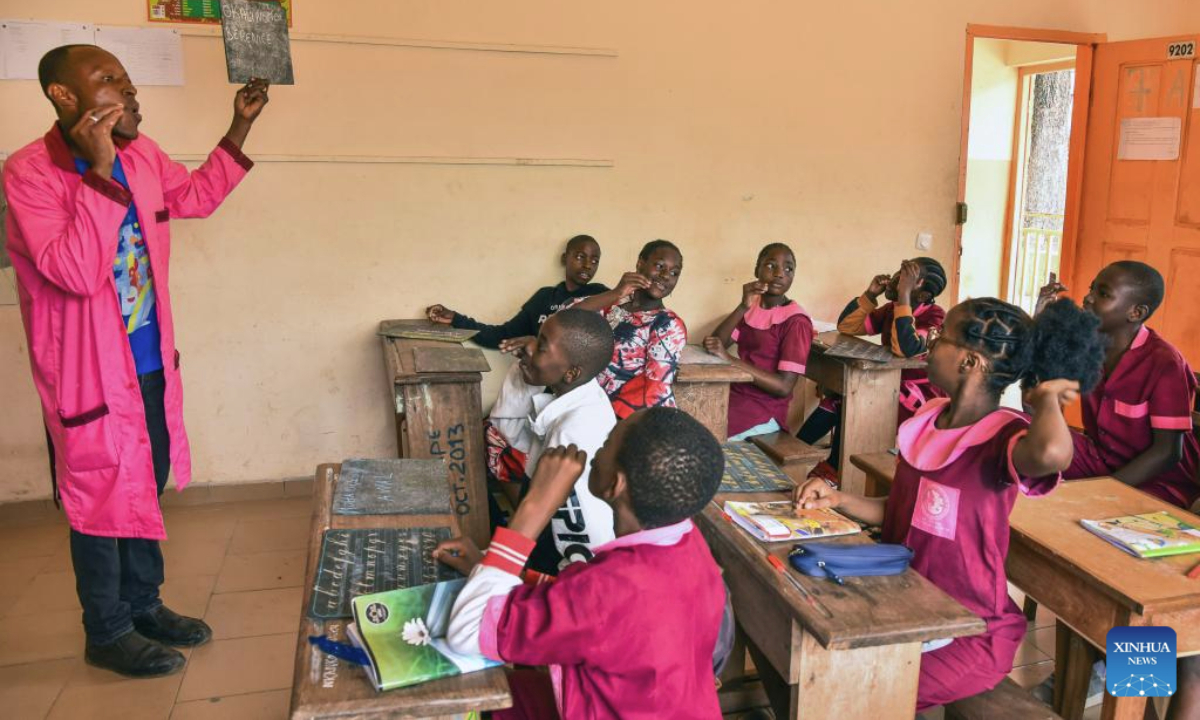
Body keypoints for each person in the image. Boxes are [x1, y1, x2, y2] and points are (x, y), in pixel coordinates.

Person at [3, 44, 269, 678]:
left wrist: (240, 125)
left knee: (142, 487)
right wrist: (97, 173)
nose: (128, 90)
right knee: (96, 496)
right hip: (85, 375)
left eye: (126, 77)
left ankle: (144, 606)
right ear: (63, 97)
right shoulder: (28, 173)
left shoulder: (141, 155)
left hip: (147, 361)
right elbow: (71, 270)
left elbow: (197, 196)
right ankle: (107, 629)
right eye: (107, 80)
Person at [793, 297, 1104, 712]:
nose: (931, 342)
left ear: (970, 362)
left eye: (941, 338)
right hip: (906, 603)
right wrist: (839, 499)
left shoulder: (1003, 435)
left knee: (854, 687)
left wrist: (1047, 398)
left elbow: (1050, 454)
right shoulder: (931, 416)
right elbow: (906, 512)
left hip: (969, 628)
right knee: (804, 654)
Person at [434, 408, 727, 719]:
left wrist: (537, 503)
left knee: (452, 691)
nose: (598, 449)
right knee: (507, 688)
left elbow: (466, 630)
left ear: (615, 484)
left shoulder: (608, 590)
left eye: (607, 442)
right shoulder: (686, 542)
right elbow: (589, 604)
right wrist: (494, 568)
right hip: (659, 704)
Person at [1038, 262, 1200, 508]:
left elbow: (1167, 453)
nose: (1088, 297)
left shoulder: (1165, 364)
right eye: (1092, 288)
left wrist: (1102, 491)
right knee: (1019, 431)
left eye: (1102, 293)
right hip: (1098, 460)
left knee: (1097, 521)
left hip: (1157, 481)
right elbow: (1037, 405)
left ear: (1136, 313)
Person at [483, 309, 619, 574]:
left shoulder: (573, 434)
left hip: (561, 549)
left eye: (541, 345)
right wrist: (522, 366)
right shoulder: (575, 393)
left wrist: (567, 575)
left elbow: (581, 527)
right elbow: (509, 429)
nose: (530, 347)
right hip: (545, 520)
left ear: (570, 373)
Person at [796, 257, 947, 476]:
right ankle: (799, 450)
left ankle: (835, 469)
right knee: (840, 399)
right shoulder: (891, 309)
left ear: (922, 293)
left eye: (905, 278)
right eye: (899, 273)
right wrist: (870, 295)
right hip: (885, 379)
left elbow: (906, 348)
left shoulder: (934, 315)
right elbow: (847, 326)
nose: (895, 280)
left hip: (914, 393)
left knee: (855, 402)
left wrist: (903, 296)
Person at [561, 240, 687, 418]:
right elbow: (564, 319)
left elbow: (655, 389)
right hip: (582, 405)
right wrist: (616, 293)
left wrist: (608, 425)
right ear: (640, 263)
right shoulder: (612, 304)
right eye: (659, 266)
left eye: (674, 273)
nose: (666, 276)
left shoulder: (667, 324)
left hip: (623, 419)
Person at [703, 243, 813, 440]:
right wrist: (743, 305)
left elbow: (783, 387)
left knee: (703, 439)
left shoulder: (796, 321)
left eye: (788, 269)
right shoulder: (753, 307)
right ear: (757, 270)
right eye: (771, 265)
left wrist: (730, 359)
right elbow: (714, 344)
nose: (780, 274)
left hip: (764, 410)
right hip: (735, 396)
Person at [426, 234, 608, 349]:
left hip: (579, 389)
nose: (587, 265)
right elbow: (503, 335)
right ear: (564, 258)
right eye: (580, 257)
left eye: (594, 261)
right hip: (538, 386)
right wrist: (456, 319)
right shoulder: (544, 297)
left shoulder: (602, 296)